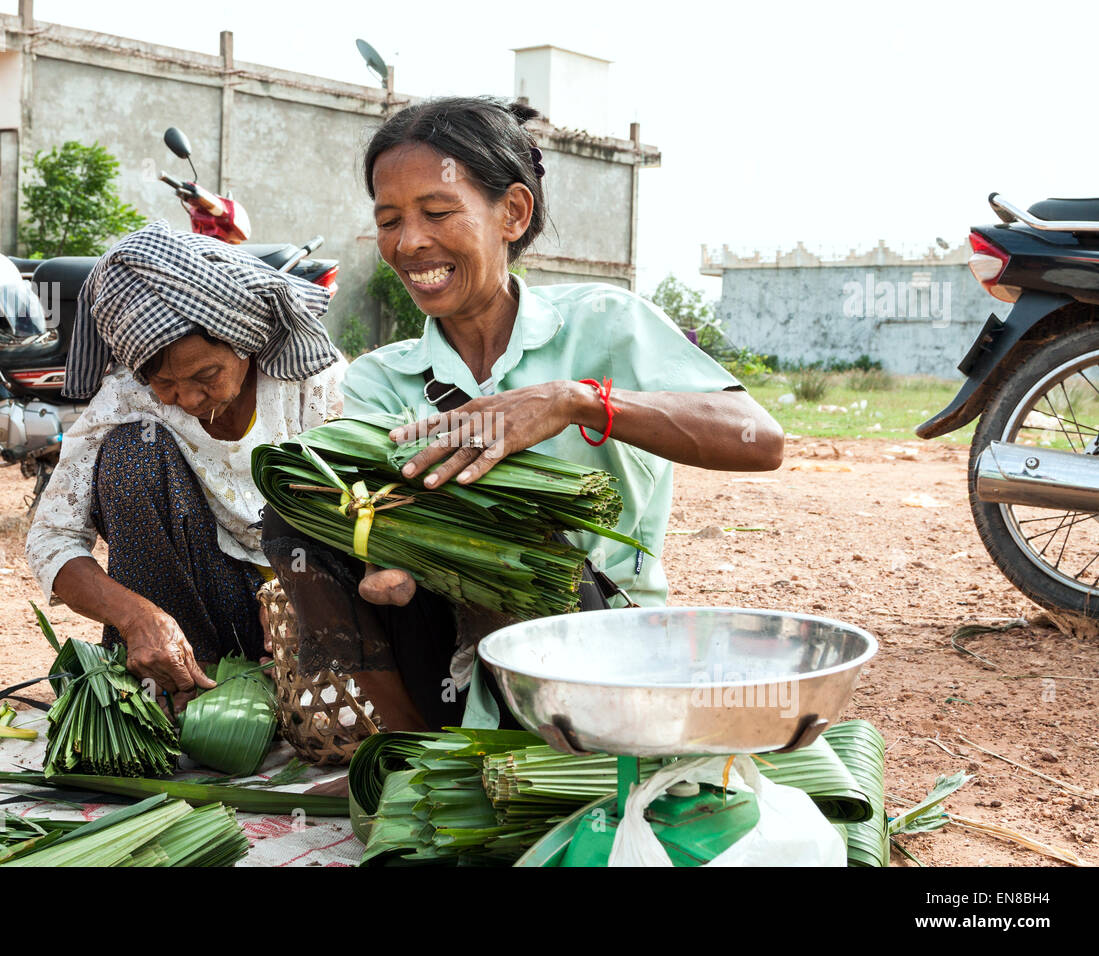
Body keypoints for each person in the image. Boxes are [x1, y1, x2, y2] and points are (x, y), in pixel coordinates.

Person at [261, 97, 784, 732]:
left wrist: (576, 401)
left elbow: (760, 440)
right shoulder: (382, 377)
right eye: (389, 220)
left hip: (595, 642)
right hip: (445, 656)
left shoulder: (604, 325)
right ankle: (408, 755)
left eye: (437, 212)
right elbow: (365, 511)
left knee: (536, 542)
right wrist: (378, 555)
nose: (409, 242)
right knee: (292, 506)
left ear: (512, 212)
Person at [26, 221, 345, 709]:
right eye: (167, 384)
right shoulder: (129, 398)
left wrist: (295, 593)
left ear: (245, 340)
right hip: (199, 601)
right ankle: (180, 679)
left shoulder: (308, 380)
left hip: (311, 600)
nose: (190, 398)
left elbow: (360, 511)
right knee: (132, 455)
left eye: (207, 375)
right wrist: (136, 619)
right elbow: (51, 539)